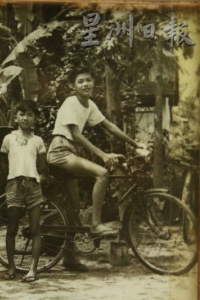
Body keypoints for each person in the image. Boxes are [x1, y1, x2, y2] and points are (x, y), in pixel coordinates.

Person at [47, 67, 141, 271]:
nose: (86, 84)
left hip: (70, 152)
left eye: (89, 79)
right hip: (60, 151)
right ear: (73, 86)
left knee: (74, 208)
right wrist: (103, 155)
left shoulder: (89, 105)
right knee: (102, 173)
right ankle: (96, 224)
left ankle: (70, 257)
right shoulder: (70, 103)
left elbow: (109, 126)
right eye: (80, 81)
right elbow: (76, 135)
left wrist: (136, 144)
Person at [0, 100, 48, 282]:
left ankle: (32, 269)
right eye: (21, 114)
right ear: (16, 117)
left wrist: (41, 175)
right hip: (14, 184)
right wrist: (7, 179)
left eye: (29, 115)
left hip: (33, 186)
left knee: (35, 228)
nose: (25, 118)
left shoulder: (38, 140)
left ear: (35, 118)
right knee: (11, 227)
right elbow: (3, 163)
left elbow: (43, 165)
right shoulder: (8, 139)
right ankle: (11, 267)